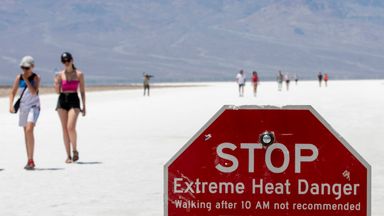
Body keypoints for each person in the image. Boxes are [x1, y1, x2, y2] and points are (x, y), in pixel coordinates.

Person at [9, 56, 41, 170]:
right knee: (26, 134)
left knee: (29, 129)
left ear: (32, 67)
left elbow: (33, 92)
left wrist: (26, 79)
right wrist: (11, 105)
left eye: (27, 67)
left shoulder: (36, 77)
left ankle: (31, 159)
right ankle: (29, 159)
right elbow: (12, 92)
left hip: (34, 106)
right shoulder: (18, 78)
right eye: (23, 67)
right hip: (23, 108)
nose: (25, 70)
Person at [54, 52, 86, 163]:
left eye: (68, 60)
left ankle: (75, 150)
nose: (66, 63)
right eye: (64, 61)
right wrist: (56, 83)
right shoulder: (60, 74)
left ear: (72, 60)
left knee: (70, 127)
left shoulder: (79, 74)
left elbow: (82, 91)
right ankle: (68, 156)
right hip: (62, 100)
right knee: (64, 128)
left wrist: (84, 105)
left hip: (74, 100)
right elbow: (57, 92)